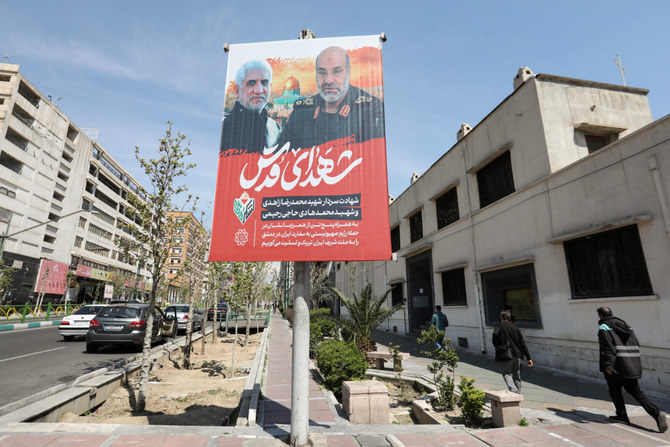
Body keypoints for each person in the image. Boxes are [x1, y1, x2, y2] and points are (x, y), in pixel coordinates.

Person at [279, 46, 385, 150]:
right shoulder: (302, 111)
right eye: (322, 73)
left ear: (348, 72)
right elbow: (281, 155)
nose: (328, 80)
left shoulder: (369, 108)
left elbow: (374, 156)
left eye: (337, 71)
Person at [597, 306, 667, 432]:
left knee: (615, 391)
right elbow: (636, 344)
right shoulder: (627, 327)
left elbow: (608, 348)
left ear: (601, 316)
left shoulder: (604, 328)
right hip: (630, 365)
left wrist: (608, 365)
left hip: (616, 367)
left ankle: (622, 416)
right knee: (636, 391)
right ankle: (656, 414)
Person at [219, 59, 281, 154]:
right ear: (237, 90)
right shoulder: (224, 127)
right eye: (251, 83)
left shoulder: (275, 128)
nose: (259, 90)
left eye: (264, 83)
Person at [492, 310, 533, 393]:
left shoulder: (498, 326)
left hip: (506, 354)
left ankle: (514, 390)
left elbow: (494, 340)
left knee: (507, 374)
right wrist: (528, 358)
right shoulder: (515, 328)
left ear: (501, 318)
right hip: (517, 354)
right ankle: (518, 392)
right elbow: (522, 344)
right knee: (516, 374)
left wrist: (499, 348)